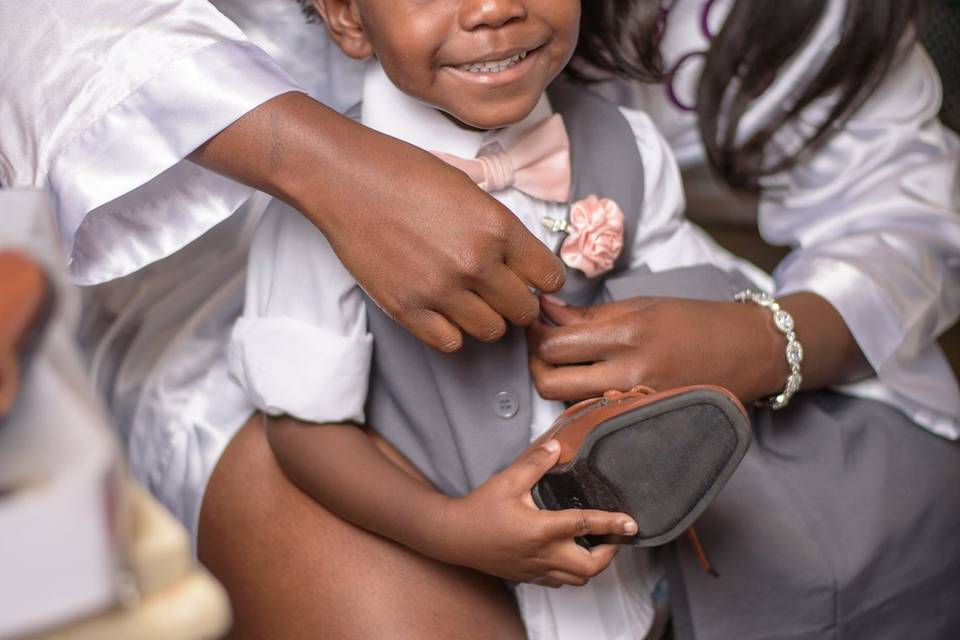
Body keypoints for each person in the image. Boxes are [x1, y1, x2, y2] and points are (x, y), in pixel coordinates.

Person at [229, 1, 960, 639]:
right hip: (460, 550)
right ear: (350, 18)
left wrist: (737, 340)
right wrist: (448, 531)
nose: (493, 8)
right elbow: (303, 424)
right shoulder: (323, 210)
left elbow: (700, 304)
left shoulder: (627, 144)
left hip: (649, 575)